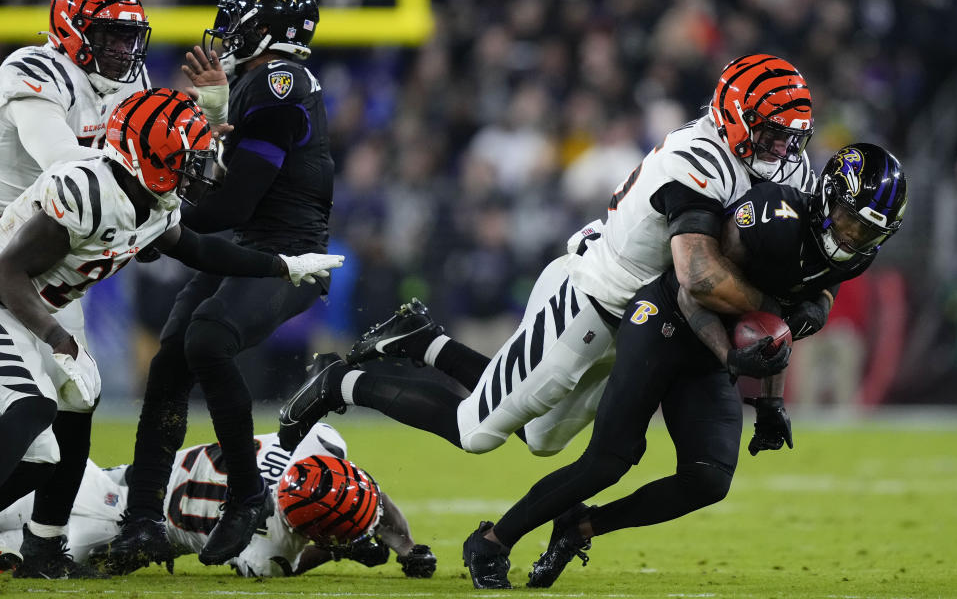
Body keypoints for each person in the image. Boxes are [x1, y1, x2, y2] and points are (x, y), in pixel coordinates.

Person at [277, 53, 817, 458]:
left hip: (643, 321)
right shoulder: (697, 158)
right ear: (736, 116)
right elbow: (699, 275)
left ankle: (421, 341)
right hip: (590, 297)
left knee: (540, 439)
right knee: (476, 430)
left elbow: (780, 281)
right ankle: (338, 381)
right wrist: (770, 311)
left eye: (791, 138)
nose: (783, 150)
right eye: (772, 134)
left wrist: (771, 391)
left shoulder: (787, 170)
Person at [460, 143, 908, 589]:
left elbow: (775, 324)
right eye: (852, 220)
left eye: (869, 231)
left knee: (708, 478)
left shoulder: (857, 255)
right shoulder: (772, 217)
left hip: (711, 349)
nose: (854, 238)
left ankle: (577, 529)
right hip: (666, 320)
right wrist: (729, 354)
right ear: (830, 196)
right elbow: (692, 289)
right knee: (609, 460)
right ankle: (493, 540)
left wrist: (772, 401)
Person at [0, 86, 342, 579]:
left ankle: (44, 549)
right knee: (33, 415)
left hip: (28, 310)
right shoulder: (88, 192)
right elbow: (8, 271)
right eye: (190, 159)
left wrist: (282, 266)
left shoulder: (151, 201)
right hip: (7, 302)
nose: (202, 171)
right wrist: (56, 336)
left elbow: (201, 251)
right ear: (153, 157)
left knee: (71, 415)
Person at [92, 0, 341, 570]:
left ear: (268, 28)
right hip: (248, 241)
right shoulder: (258, 82)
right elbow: (222, 186)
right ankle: (146, 517)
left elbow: (235, 201)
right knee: (173, 354)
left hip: (288, 256)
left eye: (241, 19)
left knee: (207, 341)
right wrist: (213, 111)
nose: (227, 30)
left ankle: (248, 492)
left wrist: (159, 218)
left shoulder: (281, 83)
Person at [0, 0, 151, 578]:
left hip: (56, 261)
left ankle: (43, 544)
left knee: (79, 398)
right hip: (10, 253)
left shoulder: (129, 78)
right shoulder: (33, 70)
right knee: (30, 421)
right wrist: (145, 192)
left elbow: (157, 146)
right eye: (107, 35)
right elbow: (63, 164)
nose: (121, 49)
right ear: (70, 29)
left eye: (128, 37)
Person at [0, 421, 436, 578]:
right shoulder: (269, 551)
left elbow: (355, 494)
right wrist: (341, 551)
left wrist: (406, 545)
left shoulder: (311, 446)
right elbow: (307, 548)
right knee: (23, 555)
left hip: (110, 480)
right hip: (106, 527)